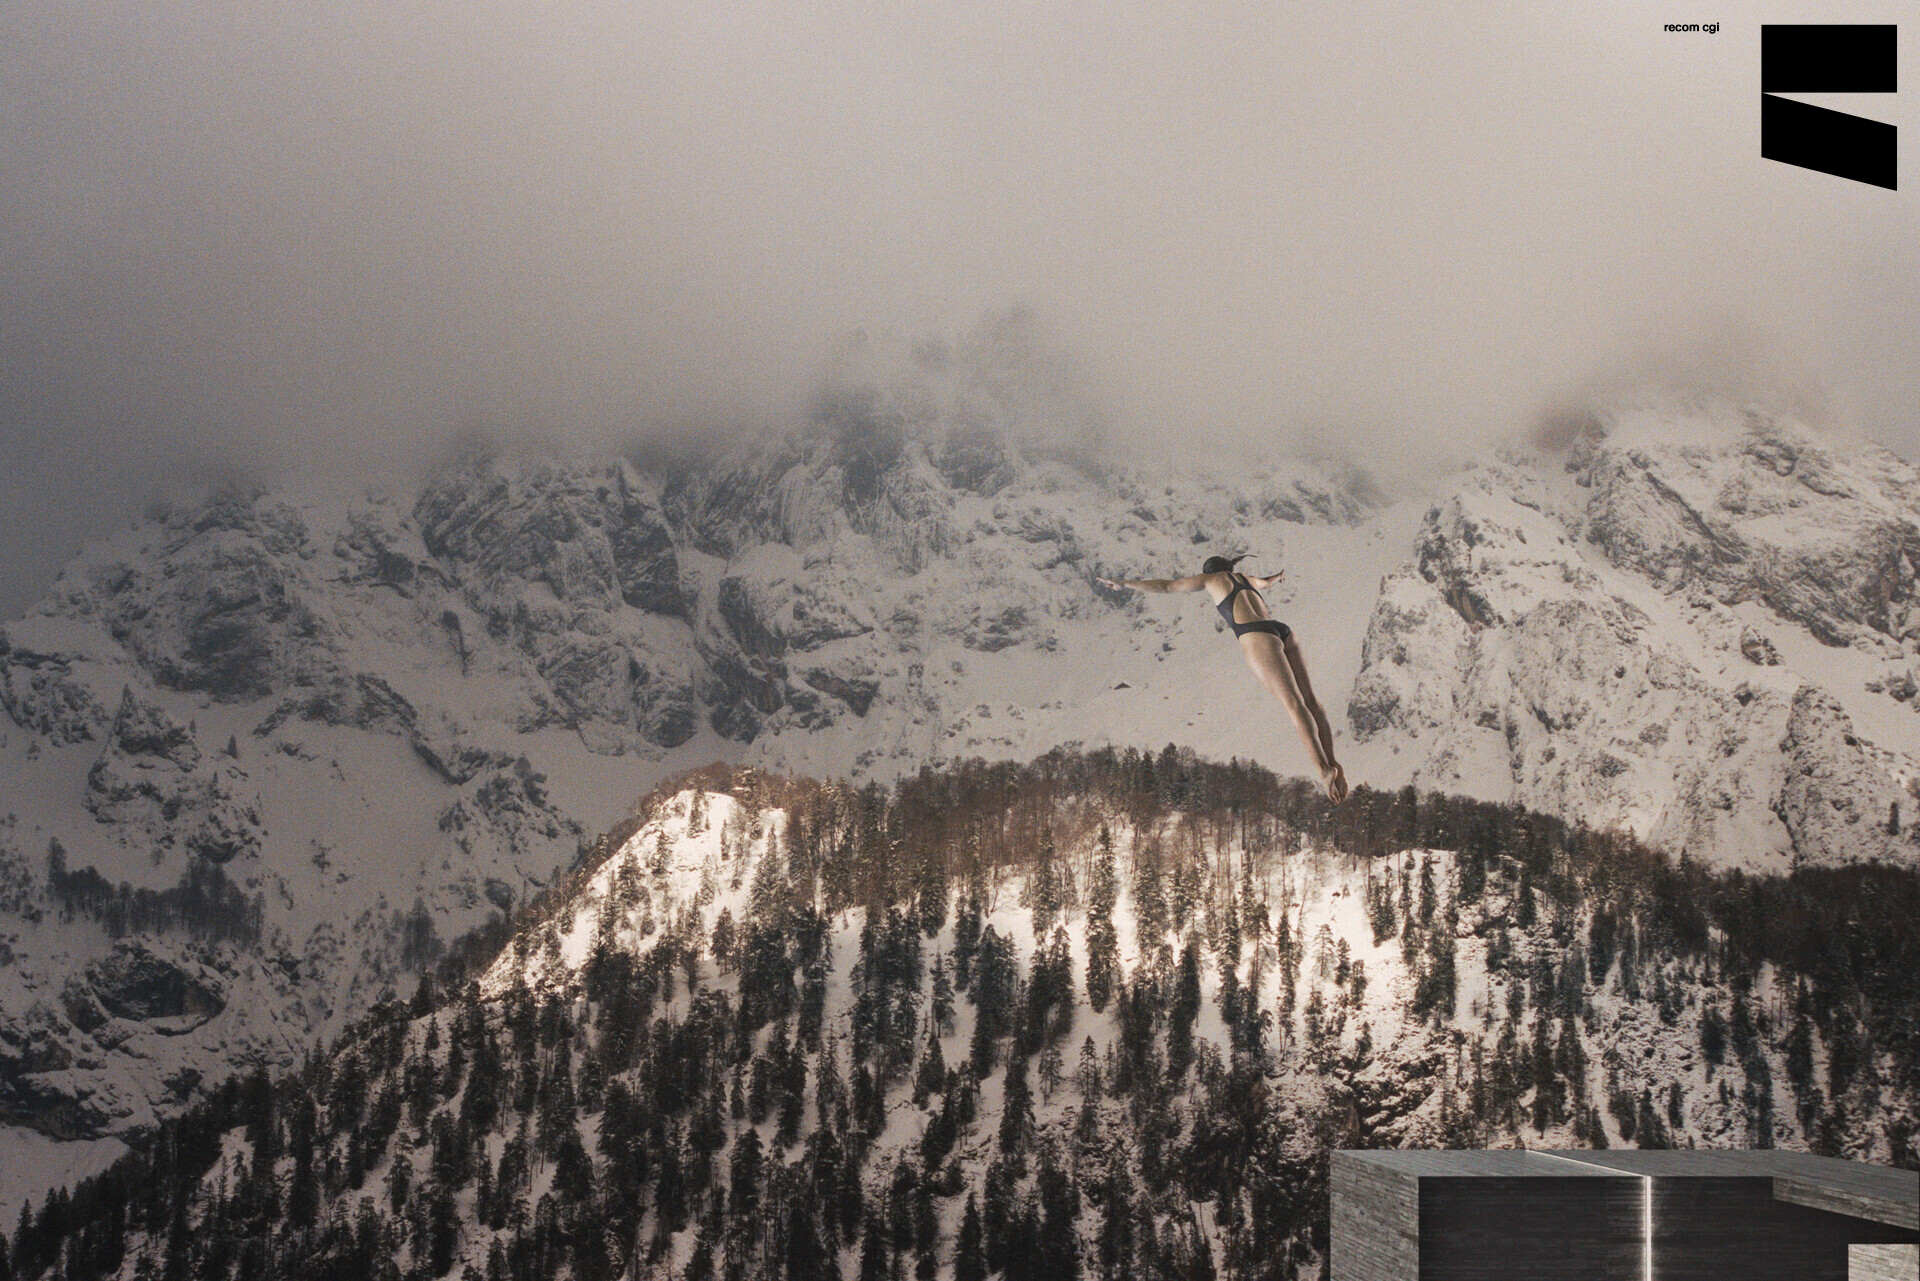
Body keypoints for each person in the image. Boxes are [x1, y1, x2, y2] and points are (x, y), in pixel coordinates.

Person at [1098, 554, 1349, 803]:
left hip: (1256, 635)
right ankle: (1332, 761)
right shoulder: (1246, 578)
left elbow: (1166, 586)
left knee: (1292, 703)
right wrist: (1278, 577)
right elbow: (1266, 581)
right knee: (1310, 701)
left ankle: (1323, 770)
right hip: (1281, 630)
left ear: (1208, 572)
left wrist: (1124, 583)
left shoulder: (1211, 580)